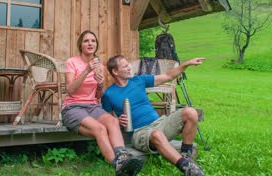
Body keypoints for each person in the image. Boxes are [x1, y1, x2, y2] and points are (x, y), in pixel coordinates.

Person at [102, 55, 206, 176]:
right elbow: (108, 120)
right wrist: (118, 120)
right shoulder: (109, 94)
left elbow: (168, 76)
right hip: (140, 133)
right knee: (157, 135)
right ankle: (188, 169)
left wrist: (186, 64)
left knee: (191, 112)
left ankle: (187, 157)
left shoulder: (139, 80)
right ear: (115, 71)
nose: (130, 67)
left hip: (160, 123)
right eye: (125, 66)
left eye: (128, 64)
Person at [62, 31, 142, 176]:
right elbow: (70, 91)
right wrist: (87, 70)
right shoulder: (72, 62)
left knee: (112, 121)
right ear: (80, 44)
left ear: (96, 44)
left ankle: (123, 156)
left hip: (92, 106)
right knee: (99, 129)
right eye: (86, 41)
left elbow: (98, 95)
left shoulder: (100, 66)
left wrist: (100, 85)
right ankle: (118, 166)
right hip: (73, 107)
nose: (90, 43)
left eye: (93, 41)